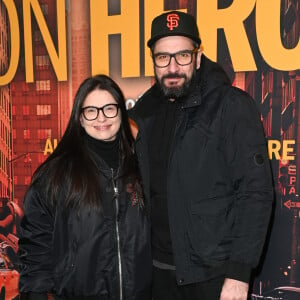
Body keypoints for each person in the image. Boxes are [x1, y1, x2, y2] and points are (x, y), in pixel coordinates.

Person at [129, 11, 274, 300]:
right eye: (162, 57)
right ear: (153, 61)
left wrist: (238, 274)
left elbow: (255, 192)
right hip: (157, 277)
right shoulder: (143, 116)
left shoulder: (230, 106)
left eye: (182, 55)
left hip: (213, 278)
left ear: (197, 57)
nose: (172, 67)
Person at [18, 74, 152, 300]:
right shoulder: (56, 175)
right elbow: (35, 250)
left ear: (121, 112)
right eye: (91, 110)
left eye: (109, 108)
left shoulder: (141, 169)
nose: (101, 118)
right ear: (79, 117)